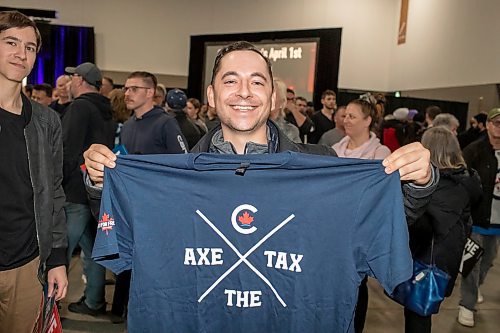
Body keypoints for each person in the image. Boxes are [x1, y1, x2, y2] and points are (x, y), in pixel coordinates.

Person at [83, 41, 436, 330]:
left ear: (272, 97)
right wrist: (103, 182)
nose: (244, 92)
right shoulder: (166, 179)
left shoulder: (321, 166)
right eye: (231, 80)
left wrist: (419, 181)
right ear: (211, 93)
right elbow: (125, 231)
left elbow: (382, 222)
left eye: (257, 81)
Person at [0, 11, 67, 332]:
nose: (20, 53)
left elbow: (53, 191)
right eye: (11, 42)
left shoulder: (46, 121)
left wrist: (57, 258)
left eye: (29, 47)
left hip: (25, 264)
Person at [404, 126, 481, 333]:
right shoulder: (469, 181)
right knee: (421, 314)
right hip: (446, 261)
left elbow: (418, 226)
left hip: (424, 261)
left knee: (417, 316)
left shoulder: (431, 186)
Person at [332, 98, 391, 333]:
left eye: (352, 116)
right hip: (334, 229)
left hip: (361, 231)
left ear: (368, 121)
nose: (346, 120)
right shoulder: (335, 150)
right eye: (345, 115)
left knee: (357, 283)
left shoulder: (380, 153)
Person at [63, 61, 117, 316]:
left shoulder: (80, 107)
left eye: (73, 78)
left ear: (80, 81)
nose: (70, 82)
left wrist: (55, 185)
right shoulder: (107, 110)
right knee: (94, 249)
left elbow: (67, 150)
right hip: (96, 191)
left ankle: (45, 304)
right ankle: (94, 301)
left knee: (58, 251)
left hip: (74, 191)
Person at [458, 107, 500, 327]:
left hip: (497, 220)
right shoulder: (474, 150)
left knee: (488, 261)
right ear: (489, 125)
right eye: (496, 123)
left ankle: (474, 289)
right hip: (477, 218)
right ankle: (467, 303)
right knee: (472, 262)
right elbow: (463, 181)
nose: (499, 128)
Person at [270, 78, 301, 143]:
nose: (268, 99)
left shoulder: (290, 131)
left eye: (273, 95)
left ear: (282, 102)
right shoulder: (251, 126)